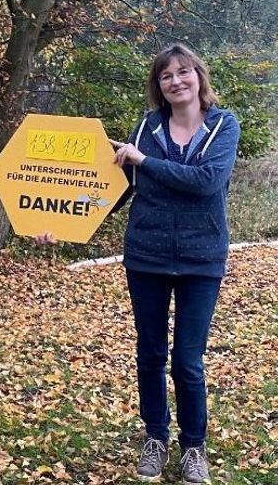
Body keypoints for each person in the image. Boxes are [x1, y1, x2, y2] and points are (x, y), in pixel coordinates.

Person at [109, 43, 240, 484]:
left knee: (187, 360)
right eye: (166, 76)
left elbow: (206, 182)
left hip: (202, 260)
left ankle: (194, 447)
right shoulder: (146, 128)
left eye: (184, 72)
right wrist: (61, 220)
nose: (176, 81)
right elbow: (117, 188)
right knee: (149, 354)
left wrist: (144, 160)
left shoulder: (224, 125)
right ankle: (155, 438)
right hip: (146, 255)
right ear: (159, 87)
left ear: (199, 77)